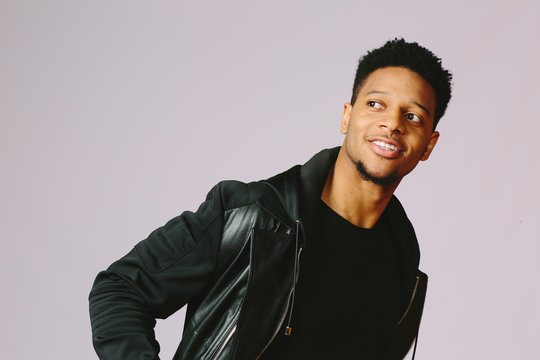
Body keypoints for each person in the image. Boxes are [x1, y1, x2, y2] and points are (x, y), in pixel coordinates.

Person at [89, 38, 452, 360]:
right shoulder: (251, 214)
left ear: (428, 145)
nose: (392, 124)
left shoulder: (402, 257)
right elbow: (120, 288)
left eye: (413, 116)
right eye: (375, 104)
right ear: (347, 116)